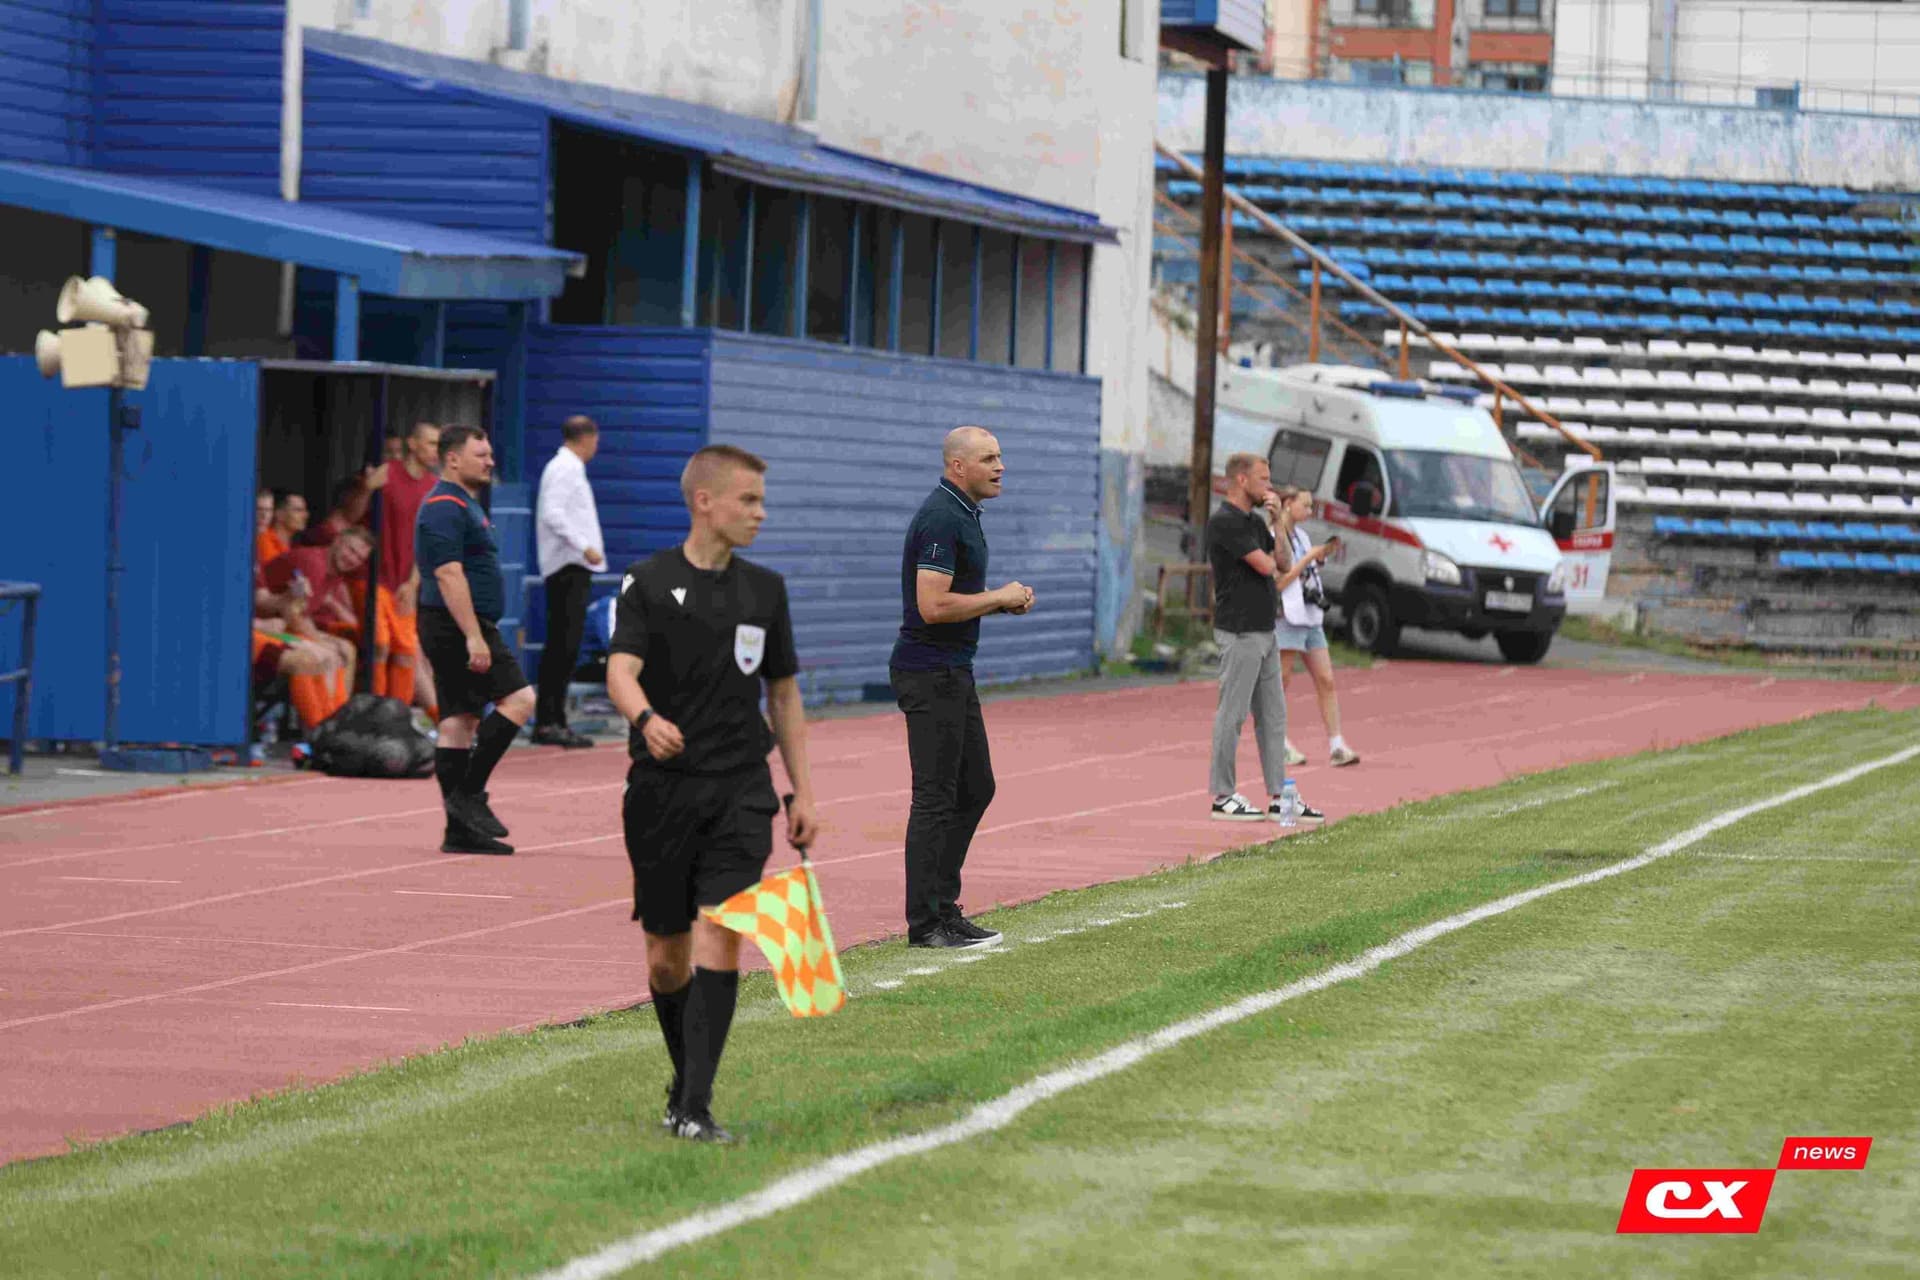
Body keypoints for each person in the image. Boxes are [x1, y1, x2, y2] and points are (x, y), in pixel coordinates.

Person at [605, 444, 819, 1144]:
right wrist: (646, 719)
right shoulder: (647, 582)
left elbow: (782, 696)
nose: (760, 513)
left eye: (762, 500)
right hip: (662, 795)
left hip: (742, 790)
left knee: (722, 930)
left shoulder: (766, 590)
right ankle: (683, 1081)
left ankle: (696, 1106)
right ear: (706, 502)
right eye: (748, 500)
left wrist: (803, 793)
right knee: (667, 958)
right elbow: (620, 671)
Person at [890, 426, 1032, 950]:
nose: (1000, 466)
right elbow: (932, 605)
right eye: (989, 458)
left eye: (1000, 456)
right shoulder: (941, 516)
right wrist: (997, 597)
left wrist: (1000, 601)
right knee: (935, 796)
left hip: (953, 668)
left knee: (975, 787)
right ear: (958, 467)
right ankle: (927, 922)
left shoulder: (964, 512)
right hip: (929, 672)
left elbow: (955, 600)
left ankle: (942, 906)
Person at [415, 426, 537, 856]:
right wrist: (473, 636)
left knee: (460, 720)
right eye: (480, 454)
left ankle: (458, 830)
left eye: (490, 454)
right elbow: (448, 574)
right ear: (452, 459)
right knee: (520, 700)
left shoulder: (464, 504)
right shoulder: (445, 506)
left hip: (458, 623)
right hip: (456, 625)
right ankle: (468, 794)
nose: (489, 461)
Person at [1204, 453, 1322, 824]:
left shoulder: (1256, 521)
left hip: (1265, 628)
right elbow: (1266, 566)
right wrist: (1274, 542)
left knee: (1274, 717)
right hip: (1239, 631)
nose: (1269, 487)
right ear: (1241, 480)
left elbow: (1284, 561)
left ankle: (1279, 797)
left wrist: (1278, 520)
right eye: (1263, 480)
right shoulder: (1224, 522)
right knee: (1233, 714)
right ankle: (1223, 795)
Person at [532, 414, 606, 748]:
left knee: (566, 645)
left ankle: (554, 718)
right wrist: (584, 545)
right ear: (587, 438)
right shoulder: (565, 469)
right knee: (563, 645)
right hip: (568, 564)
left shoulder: (568, 468)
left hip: (571, 564)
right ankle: (549, 720)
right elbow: (553, 513)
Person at [1274, 485, 1360, 770]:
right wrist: (1308, 558)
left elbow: (1303, 571)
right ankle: (1278, 742)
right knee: (1282, 680)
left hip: (1310, 616)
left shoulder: (1302, 535)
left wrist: (1318, 558)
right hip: (1287, 616)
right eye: (1306, 505)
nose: (1310, 512)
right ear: (1287, 503)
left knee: (1326, 679)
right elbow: (1280, 581)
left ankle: (1336, 745)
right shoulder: (1274, 536)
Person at [377, 421, 444, 718]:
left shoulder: (433, 486)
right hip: (377, 577)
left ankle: (398, 717)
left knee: (405, 651)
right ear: (412, 443)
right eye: (431, 443)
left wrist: (413, 582)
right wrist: (366, 489)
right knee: (380, 645)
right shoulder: (388, 474)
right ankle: (376, 712)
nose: (436, 451)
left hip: (405, 582)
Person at [257, 490, 308, 564]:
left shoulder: (293, 547)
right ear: (279, 514)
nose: (305, 515)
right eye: (298, 510)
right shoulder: (264, 540)